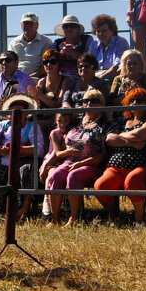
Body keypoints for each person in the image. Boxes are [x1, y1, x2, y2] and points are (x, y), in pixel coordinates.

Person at [94, 88, 146, 225]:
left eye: (139, 100)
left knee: (132, 180)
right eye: (132, 100)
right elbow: (109, 138)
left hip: (141, 165)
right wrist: (133, 144)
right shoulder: (122, 121)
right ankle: (113, 215)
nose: (135, 103)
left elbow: (140, 135)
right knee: (101, 185)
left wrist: (121, 137)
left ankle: (139, 220)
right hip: (115, 166)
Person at [45, 89, 109, 226]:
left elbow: (103, 154)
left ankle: (73, 218)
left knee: (74, 176)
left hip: (91, 164)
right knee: (55, 175)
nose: (89, 104)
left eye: (94, 101)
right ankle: (55, 218)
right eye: (86, 101)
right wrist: (48, 162)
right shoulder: (76, 122)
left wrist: (82, 163)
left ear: (102, 104)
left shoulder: (104, 125)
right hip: (68, 161)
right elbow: (58, 128)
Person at [87, 14, 128, 81]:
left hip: (115, 78)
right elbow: (89, 65)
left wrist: (100, 78)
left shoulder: (121, 43)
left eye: (104, 31)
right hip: (97, 76)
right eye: (98, 31)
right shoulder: (94, 44)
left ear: (112, 31)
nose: (101, 34)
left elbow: (118, 67)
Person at [10, 12, 51, 77]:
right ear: (21, 25)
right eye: (25, 23)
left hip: (37, 79)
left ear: (37, 25)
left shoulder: (46, 42)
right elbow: (9, 63)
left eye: (31, 23)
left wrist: (35, 75)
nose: (28, 26)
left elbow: (48, 64)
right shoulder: (14, 42)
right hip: (16, 78)